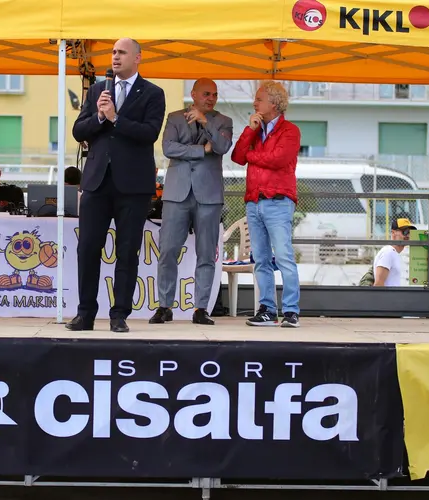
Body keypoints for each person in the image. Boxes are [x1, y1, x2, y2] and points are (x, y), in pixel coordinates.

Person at [66, 38, 166, 333]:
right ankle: (85, 314)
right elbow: (78, 130)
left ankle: (119, 313)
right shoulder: (98, 89)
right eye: (112, 52)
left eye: (121, 52)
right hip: (97, 181)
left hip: (133, 185)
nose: (115, 57)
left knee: (127, 250)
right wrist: (98, 116)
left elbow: (149, 133)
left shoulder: (153, 93)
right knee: (87, 249)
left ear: (138, 57)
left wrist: (116, 118)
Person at [151, 78, 232, 326]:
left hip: (208, 196)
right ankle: (164, 306)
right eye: (206, 93)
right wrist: (201, 151)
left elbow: (222, 146)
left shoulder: (223, 122)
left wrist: (205, 122)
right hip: (177, 194)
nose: (211, 98)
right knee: (167, 252)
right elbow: (168, 148)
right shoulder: (175, 118)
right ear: (194, 94)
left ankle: (201, 308)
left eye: (215, 95)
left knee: (206, 254)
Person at [231, 81, 301, 328]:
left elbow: (278, 159)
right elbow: (237, 156)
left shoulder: (290, 131)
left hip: (278, 201)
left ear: (273, 103)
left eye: (259, 99)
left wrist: (252, 156)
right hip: (254, 201)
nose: (254, 103)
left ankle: (291, 311)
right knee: (260, 259)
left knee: (283, 256)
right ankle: (268, 309)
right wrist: (250, 131)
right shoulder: (256, 129)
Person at [373, 217, 416, 286]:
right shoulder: (388, 253)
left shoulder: (394, 253)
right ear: (393, 232)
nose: (408, 235)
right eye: (405, 232)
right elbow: (378, 284)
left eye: (410, 232)